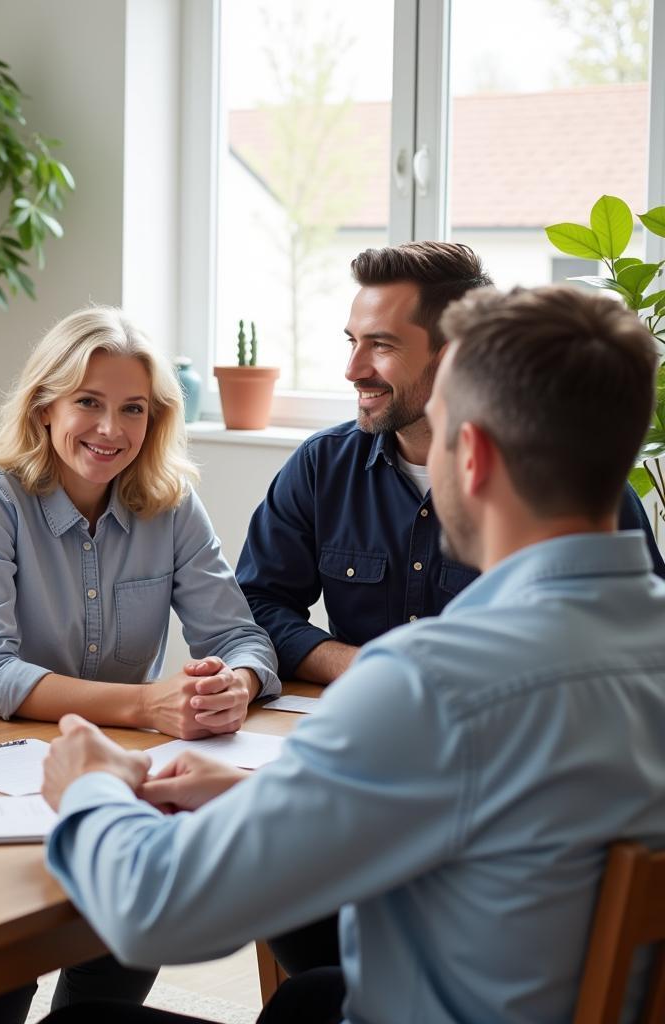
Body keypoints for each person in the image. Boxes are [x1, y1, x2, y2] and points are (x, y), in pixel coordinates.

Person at [38, 285, 665, 1024]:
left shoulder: (435, 683)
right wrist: (258, 801)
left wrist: (91, 787)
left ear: (474, 457)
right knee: (311, 996)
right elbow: (513, 828)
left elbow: (154, 909)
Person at [236, 242, 665, 977]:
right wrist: (359, 668)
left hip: (472, 858)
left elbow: (161, 908)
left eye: (380, 346)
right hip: (391, 806)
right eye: (351, 341)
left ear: (454, 358)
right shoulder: (323, 465)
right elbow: (254, 604)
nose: (352, 370)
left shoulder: (575, 499)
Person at [0, 305, 279, 1015]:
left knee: (141, 917)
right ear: (45, 406)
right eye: (88, 403)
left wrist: (233, 686)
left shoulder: (172, 506)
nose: (110, 430)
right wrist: (148, 705)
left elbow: (243, 639)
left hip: (114, 771)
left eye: (133, 409)